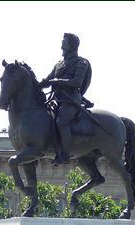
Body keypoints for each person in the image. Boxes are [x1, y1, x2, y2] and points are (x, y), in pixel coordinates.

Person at [38, 33, 92, 165]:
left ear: (70, 45)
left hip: (71, 100)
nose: (62, 44)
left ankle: (65, 155)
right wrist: (34, 83)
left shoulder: (81, 62)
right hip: (56, 100)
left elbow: (77, 82)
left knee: (62, 121)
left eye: (64, 42)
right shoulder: (59, 64)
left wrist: (59, 81)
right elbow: (48, 80)